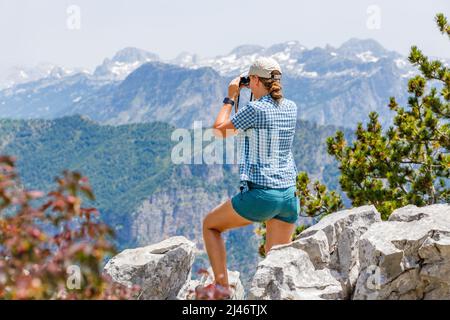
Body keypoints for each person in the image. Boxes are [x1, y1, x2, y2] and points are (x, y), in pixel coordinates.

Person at [202, 57, 299, 293]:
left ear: (254, 79)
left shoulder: (255, 109)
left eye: (250, 78)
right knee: (275, 265)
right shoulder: (291, 107)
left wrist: (231, 96)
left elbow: (218, 131)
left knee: (210, 226)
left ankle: (222, 290)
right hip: (288, 197)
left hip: (262, 196)